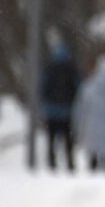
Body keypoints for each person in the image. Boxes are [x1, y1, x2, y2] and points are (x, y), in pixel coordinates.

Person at [74, 55, 105, 171]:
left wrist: (78, 129)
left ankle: (93, 177)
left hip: (92, 130)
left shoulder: (89, 86)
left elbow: (81, 110)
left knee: (94, 161)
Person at [40, 44, 81, 172]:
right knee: (68, 139)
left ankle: (52, 161)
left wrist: (45, 105)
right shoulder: (71, 69)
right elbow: (79, 87)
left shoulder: (49, 69)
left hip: (51, 111)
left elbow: (43, 87)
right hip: (67, 111)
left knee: (51, 139)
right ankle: (70, 162)